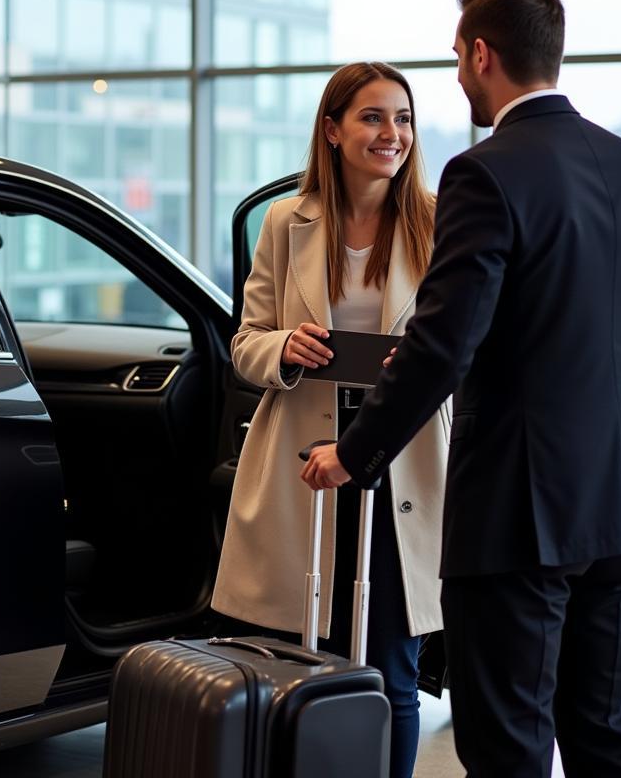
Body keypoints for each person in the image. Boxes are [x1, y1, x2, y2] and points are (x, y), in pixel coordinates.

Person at [302, 0, 621, 777]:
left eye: (455, 57)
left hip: (519, 504)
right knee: (604, 737)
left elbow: (446, 343)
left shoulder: (486, 171)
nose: (453, 76)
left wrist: (356, 451)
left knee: (507, 743)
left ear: (482, 54)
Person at [212, 61, 449, 778]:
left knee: (393, 672)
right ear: (332, 130)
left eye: (402, 118)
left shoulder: (438, 219)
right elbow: (245, 342)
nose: (392, 133)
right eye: (373, 117)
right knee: (302, 662)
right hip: (305, 464)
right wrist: (285, 346)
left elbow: (469, 344)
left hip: (398, 462)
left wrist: (417, 360)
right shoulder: (288, 221)